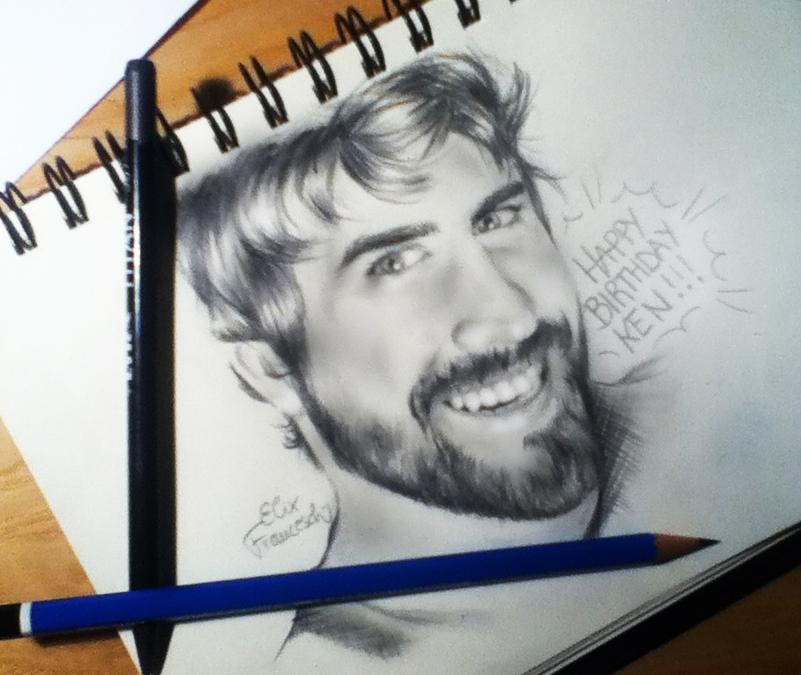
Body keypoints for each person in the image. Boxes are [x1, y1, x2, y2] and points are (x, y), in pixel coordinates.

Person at [178, 52, 633, 666]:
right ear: (274, 369)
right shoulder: (337, 664)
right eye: (394, 263)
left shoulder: (682, 425)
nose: (512, 315)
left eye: (496, 219)